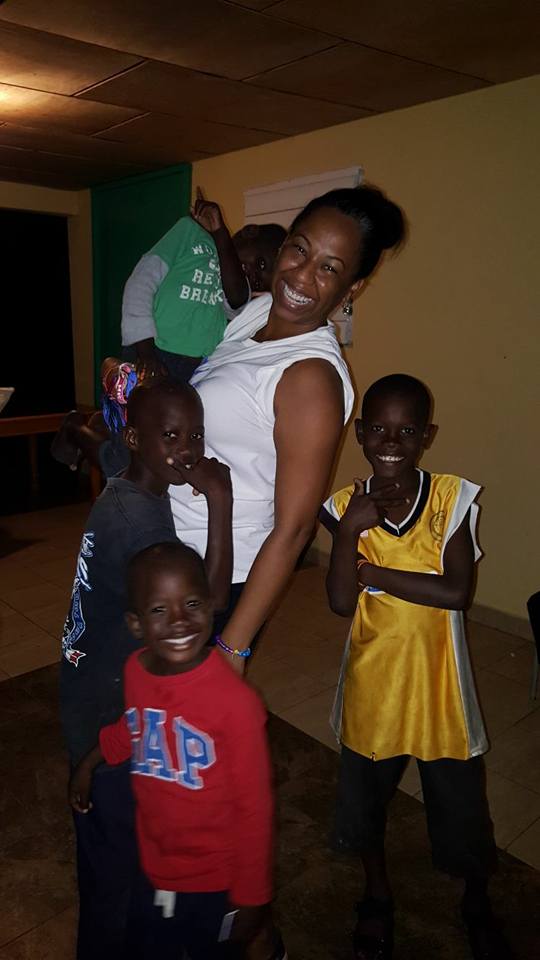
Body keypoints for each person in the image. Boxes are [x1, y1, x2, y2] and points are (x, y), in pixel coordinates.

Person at [167, 185, 406, 662]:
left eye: (329, 268)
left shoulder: (310, 378)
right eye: (300, 249)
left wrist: (234, 646)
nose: (302, 275)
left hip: (215, 576)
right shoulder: (258, 314)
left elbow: (294, 529)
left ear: (352, 288)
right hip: (173, 550)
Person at [320, 374, 508, 960]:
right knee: (366, 800)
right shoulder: (345, 508)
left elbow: (454, 592)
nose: (390, 441)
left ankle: (476, 897)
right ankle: (377, 893)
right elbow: (340, 602)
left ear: (427, 435)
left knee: (461, 804)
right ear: (359, 433)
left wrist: (372, 571)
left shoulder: (451, 500)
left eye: (406, 431)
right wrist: (348, 534)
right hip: (373, 682)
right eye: (378, 428)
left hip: (438, 685)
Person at [60, 379, 233, 960]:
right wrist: (220, 501)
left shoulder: (127, 483)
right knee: (115, 867)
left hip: (90, 685)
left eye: (196, 436)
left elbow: (106, 447)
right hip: (111, 706)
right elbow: (208, 601)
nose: (187, 450)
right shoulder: (141, 528)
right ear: (136, 439)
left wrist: (80, 432)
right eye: (172, 436)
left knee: (115, 855)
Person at [68, 541, 280, 960]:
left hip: (215, 879)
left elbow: (254, 808)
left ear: (211, 604)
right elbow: (134, 726)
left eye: (192, 603)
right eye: (159, 610)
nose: (180, 620)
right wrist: (90, 763)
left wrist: (253, 897)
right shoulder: (136, 670)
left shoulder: (236, 704)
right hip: (155, 863)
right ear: (136, 624)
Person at [121, 191, 281, 381]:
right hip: (153, 351)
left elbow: (236, 299)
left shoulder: (235, 281)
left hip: (198, 367)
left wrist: (221, 234)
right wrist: (145, 351)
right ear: (250, 232)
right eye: (261, 263)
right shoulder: (190, 231)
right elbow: (140, 284)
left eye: (259, 282)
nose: (254, 275)